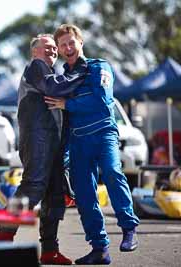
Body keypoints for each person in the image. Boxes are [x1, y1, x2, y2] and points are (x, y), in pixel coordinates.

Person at [44, 24, 140, 265]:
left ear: (80, 43)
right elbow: (63, 119)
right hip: (78, 142)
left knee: (111, 172)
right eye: (62, 45)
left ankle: (129, 228)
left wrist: (68, 103)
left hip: (104, 133)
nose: (67, 48)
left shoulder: (100, 67)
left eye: (71, 43)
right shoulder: (62, 78)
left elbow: (101, 100)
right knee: (85, 195)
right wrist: (62, 153)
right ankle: (100, 249)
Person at [0, 33, 87, 265]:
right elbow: (53, 87)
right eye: (48, 47)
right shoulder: (37, 67)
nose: (53, 51)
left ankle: (49, 250)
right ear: (34, 51)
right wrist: (81, 72)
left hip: (53, 143)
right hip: (37, 139)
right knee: (33, 185)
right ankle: (4, 233)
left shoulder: (53, 72)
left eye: (55, 48)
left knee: (54, 196)